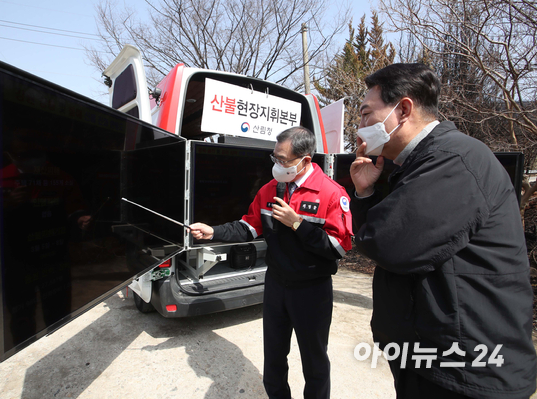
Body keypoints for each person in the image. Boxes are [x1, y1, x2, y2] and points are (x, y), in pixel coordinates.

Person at [350, 63, 537, 399]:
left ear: (403, 109)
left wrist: (368, 211)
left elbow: (386, 243)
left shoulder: (452, 160)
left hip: (466, 370)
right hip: (431, 356)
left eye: (366, 114)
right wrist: (364, 193)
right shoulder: (416, 163)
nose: (360, 127)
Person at [190, 126, 353, 399]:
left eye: (284, 160)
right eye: (274, 157)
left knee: (314, 360)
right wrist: (213, 232)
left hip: (312, 290)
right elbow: (248, 227)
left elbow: (338, 248)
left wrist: (298, 224)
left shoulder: (331, 193)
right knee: (274, 356)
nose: (277, 164)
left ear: (305, 160)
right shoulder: (269, 190)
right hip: (276, 285)